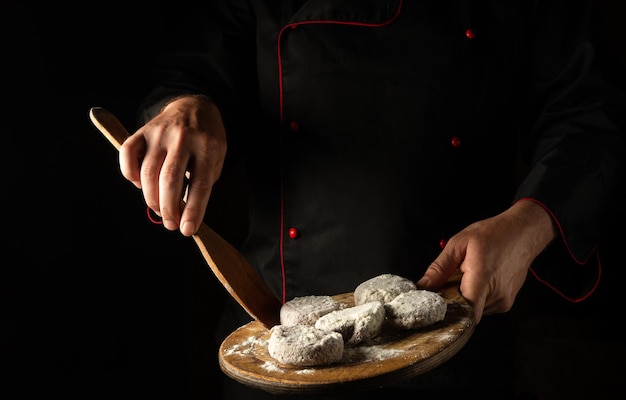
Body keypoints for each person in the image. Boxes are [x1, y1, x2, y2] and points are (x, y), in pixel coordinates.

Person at [117, 0, 624, 398]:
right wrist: (185, 107)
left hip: (461, 335)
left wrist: (531, 223)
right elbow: (195, 67)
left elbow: (586, 116)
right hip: (275, 347)